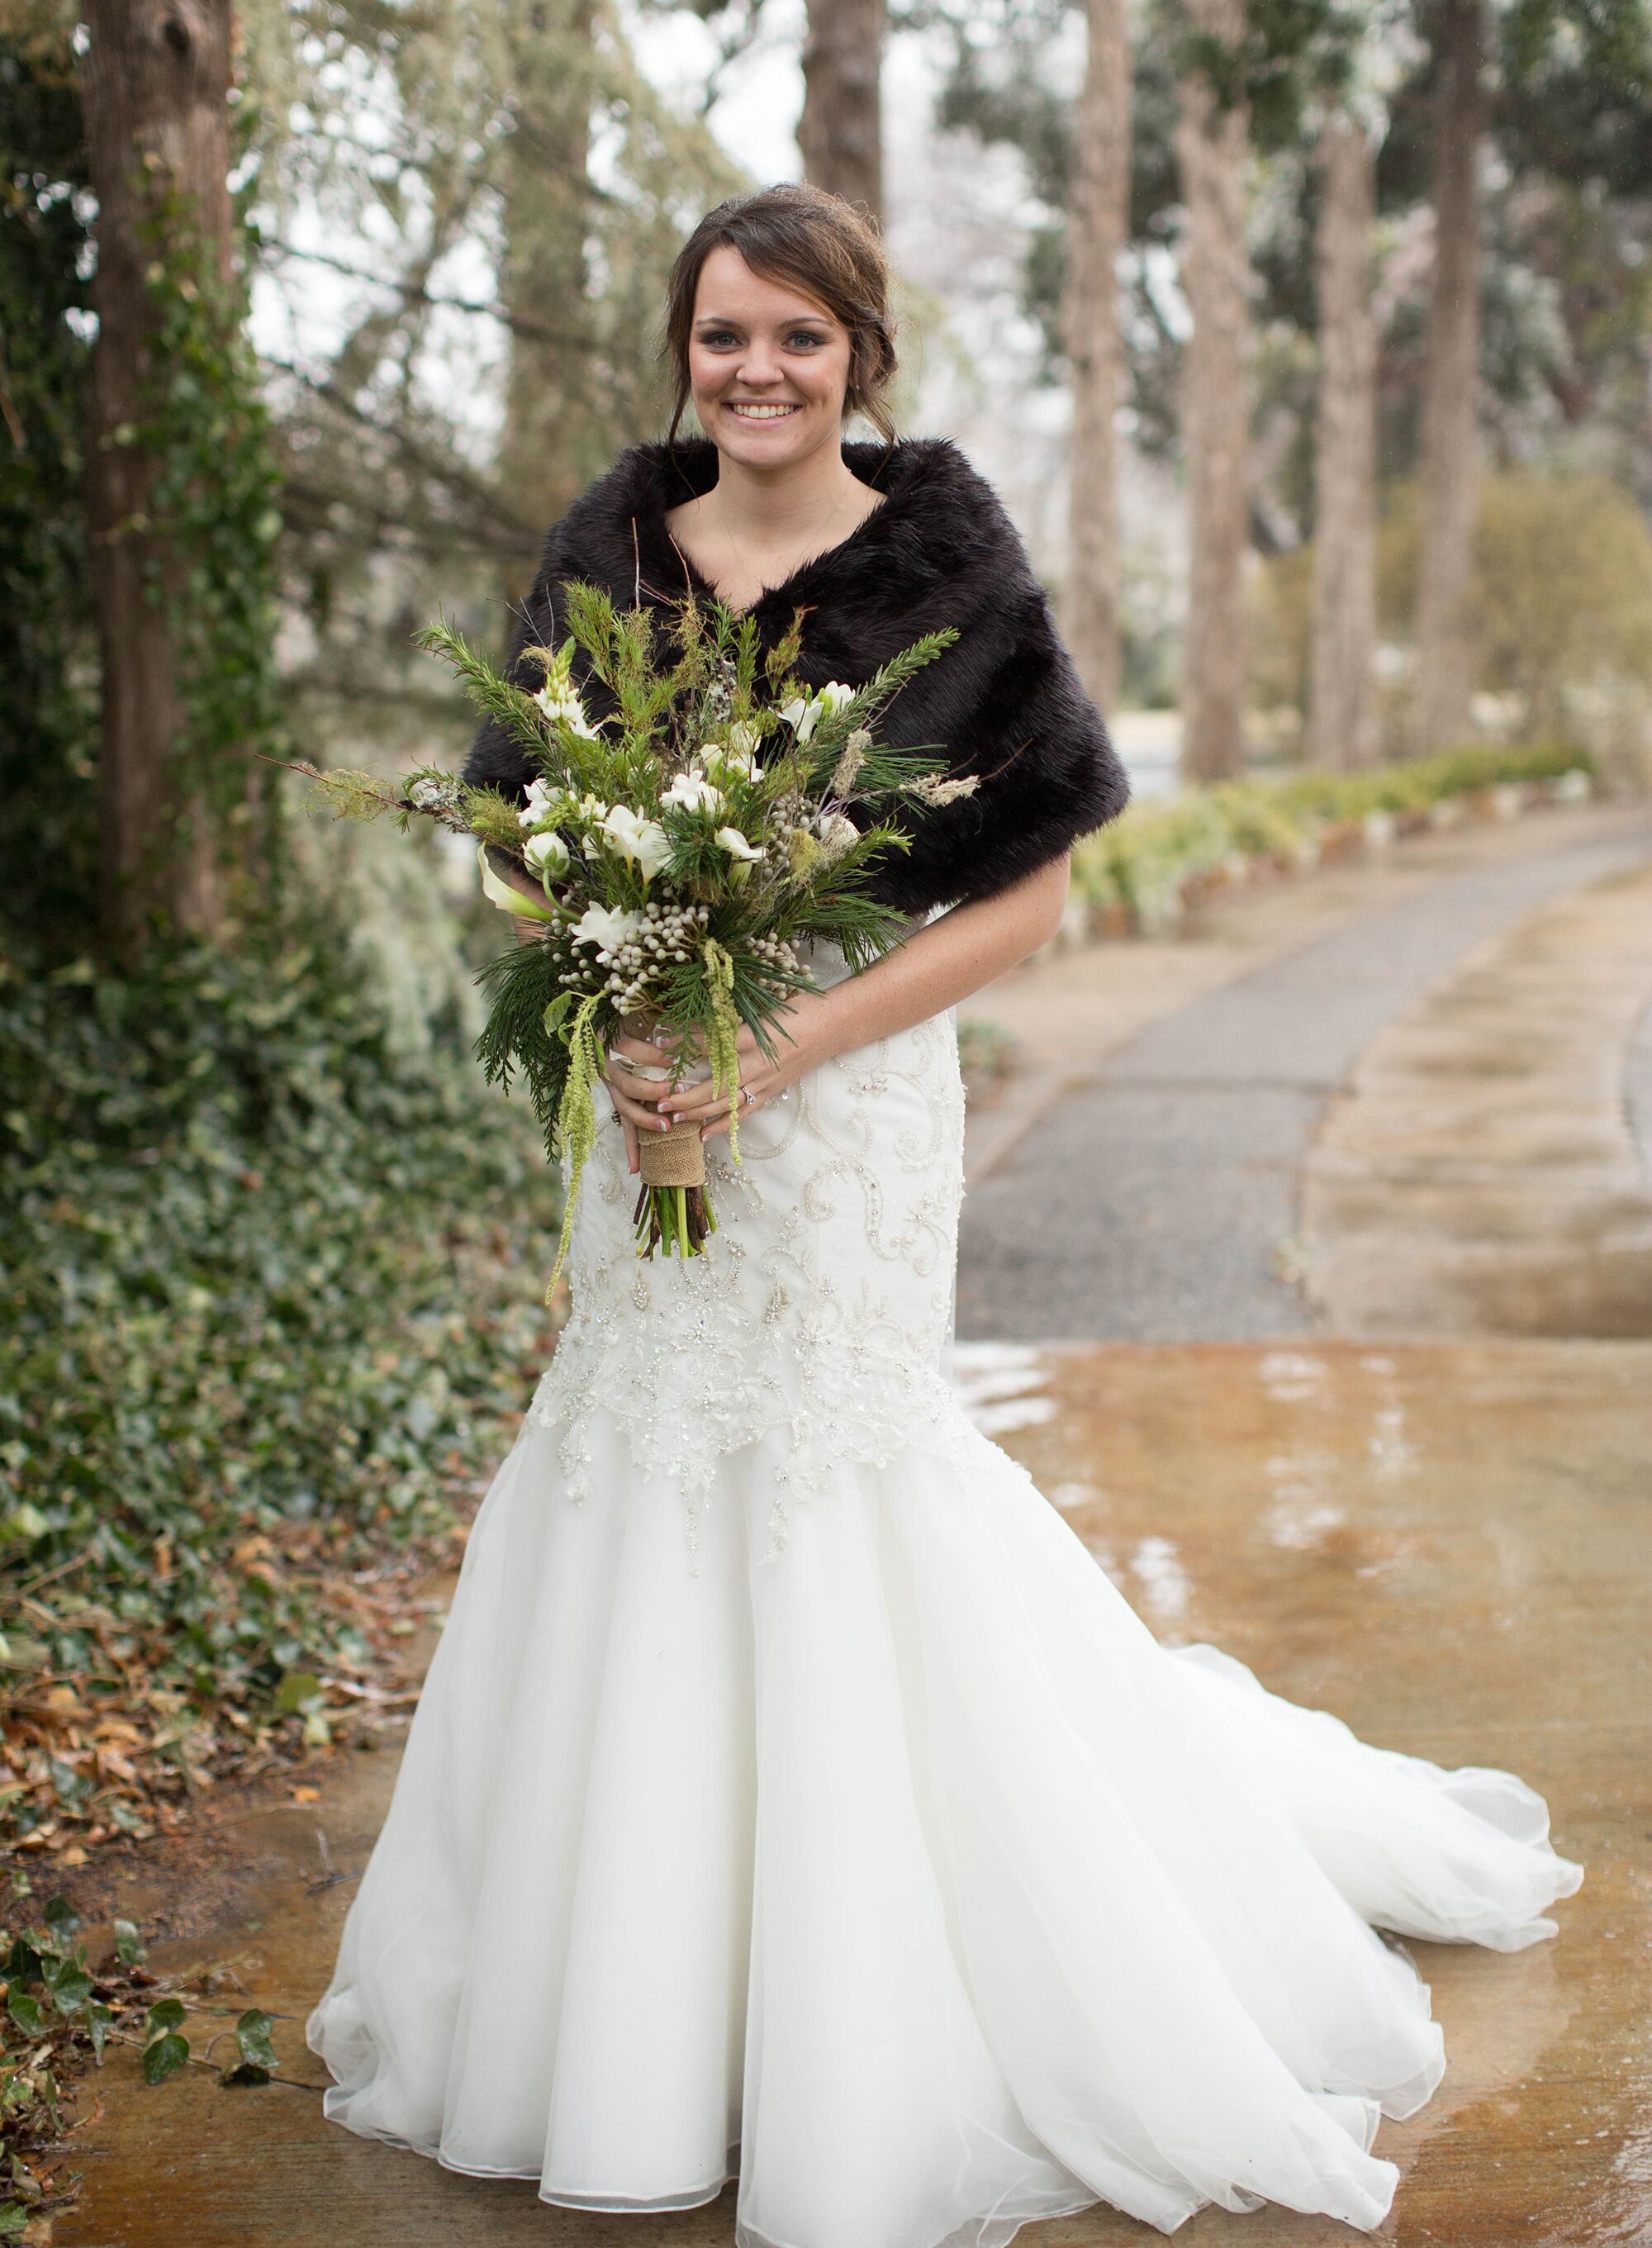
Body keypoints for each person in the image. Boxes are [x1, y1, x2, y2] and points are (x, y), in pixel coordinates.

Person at [306, 183, 1580, 2246]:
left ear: (858, 357)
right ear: (683, 349)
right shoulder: (611, 549)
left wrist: (778, 1053)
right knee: (634, 1464)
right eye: (726, 334)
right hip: (646, 1106)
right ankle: (637, 2003)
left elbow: (1032, 892)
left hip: (849, 1100)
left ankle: (882, 2002)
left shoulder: (946, 566)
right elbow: (510, 842)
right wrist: (625, 993)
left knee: (836, 1472)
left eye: (800, 338)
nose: (759, 371)